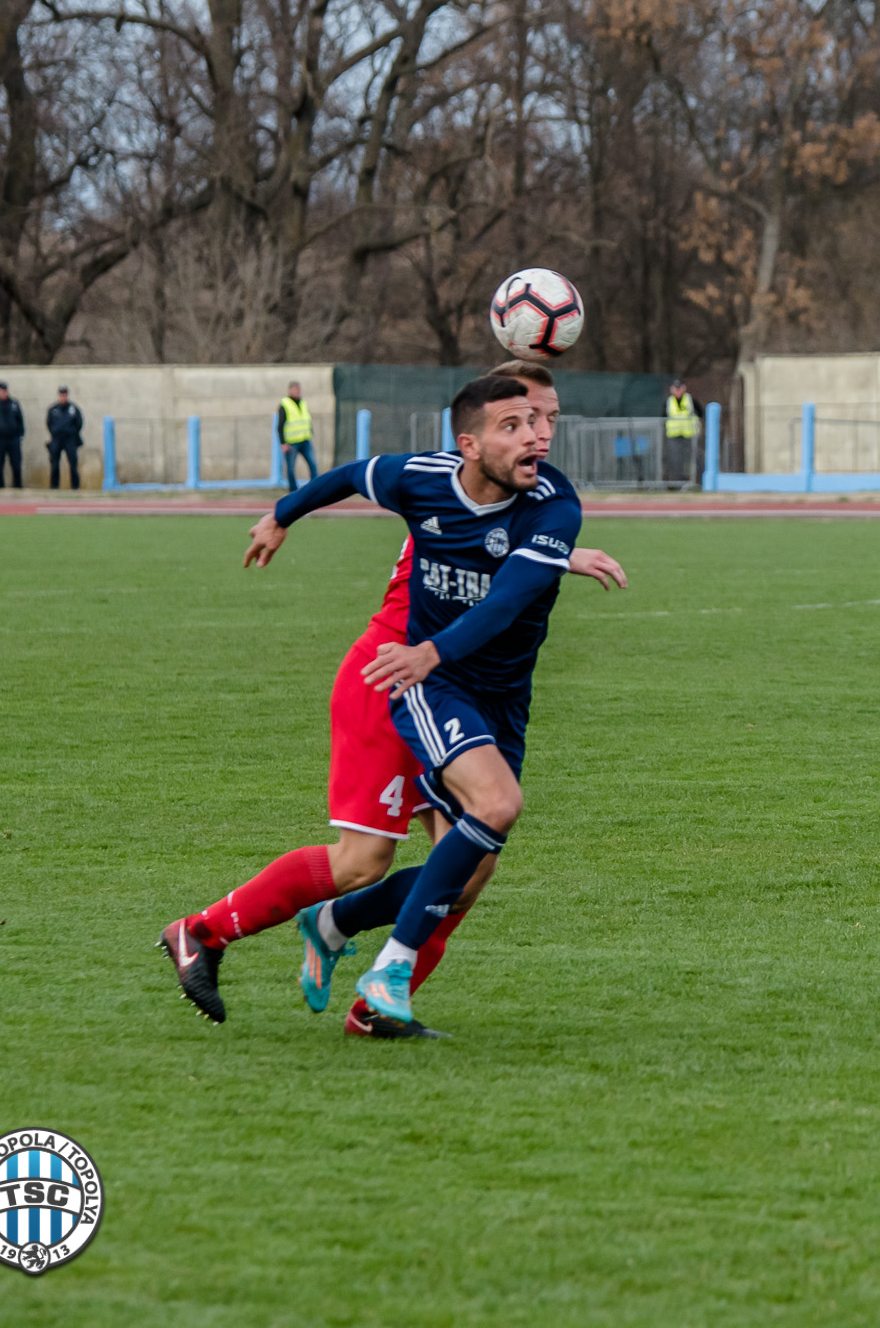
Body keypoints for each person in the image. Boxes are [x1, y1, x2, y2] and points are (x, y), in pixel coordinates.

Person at [161, 364, 626, 1037]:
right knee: (364, 860)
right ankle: (204, 932)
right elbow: (364, 479)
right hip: (394, 676)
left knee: (467, 872)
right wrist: (280, 515)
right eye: (528, 420)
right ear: (477, 439)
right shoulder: (436, 477)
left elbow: (516, 558)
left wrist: (561, 552)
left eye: (550, 421)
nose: (542, 435)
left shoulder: (539, 499)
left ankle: (368, 994)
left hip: (457, 679)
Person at [277, 380, 317, 490]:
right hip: (292, 442)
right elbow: (280, 425)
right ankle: (293, 492)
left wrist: (310, 431)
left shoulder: (303, 403)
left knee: (313, 465)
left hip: (305, 440)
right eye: (295, 389)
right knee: (290, 469)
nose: (298, 391)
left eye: (299, 389)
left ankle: (315, 489)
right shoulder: (285, 404)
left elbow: (306, 419)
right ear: (290, 390)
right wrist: (283, 443)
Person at [663, 377, 700, 485]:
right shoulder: (668, 402)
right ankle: (676, 484)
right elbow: (663, 417)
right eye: (676, 388)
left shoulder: (690, 400)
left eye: (679, 388)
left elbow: (700, 413)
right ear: (671, 389)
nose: (678, 391)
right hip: (673, 436)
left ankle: (698, 482)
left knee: (695, 458)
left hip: (690, 435)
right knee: (675, 461)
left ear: (684, 388)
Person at [46, 386, 84, 490]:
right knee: (54, 464)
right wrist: (55, 432)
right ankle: (54, 486)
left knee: (73, 464)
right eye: (61, 395)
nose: (63, 397)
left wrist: (71, 432)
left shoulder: (73, 409)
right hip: (57, 440)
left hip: (70, 440)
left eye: (65, 395)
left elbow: (79, 423)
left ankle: (75, 487)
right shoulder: (53, 409)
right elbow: (49, 424)